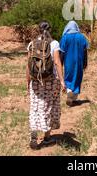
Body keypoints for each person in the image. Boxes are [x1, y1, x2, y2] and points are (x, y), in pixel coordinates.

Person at [26, 21, 66, 150]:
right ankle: (47, 137)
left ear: (38, 30)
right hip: (51, 80)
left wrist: (28, 82)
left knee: (35, 106)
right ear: (50, 29)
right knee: (50, 106)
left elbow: (28, 66)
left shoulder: (32, 44)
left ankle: (33, 134)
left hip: (36, 81)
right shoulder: (54, 44)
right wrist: (62, 81)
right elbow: (57, 62)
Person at [60, 21, 89, 107]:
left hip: (68, 62)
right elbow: (85, 52)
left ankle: (69, 94)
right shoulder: (82, 37)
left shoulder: (65, 38)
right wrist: (85, 63)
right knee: (77, 77)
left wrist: (60, 63)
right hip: (79, 62)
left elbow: (61, 52)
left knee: (68, 77)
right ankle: (73, 98)